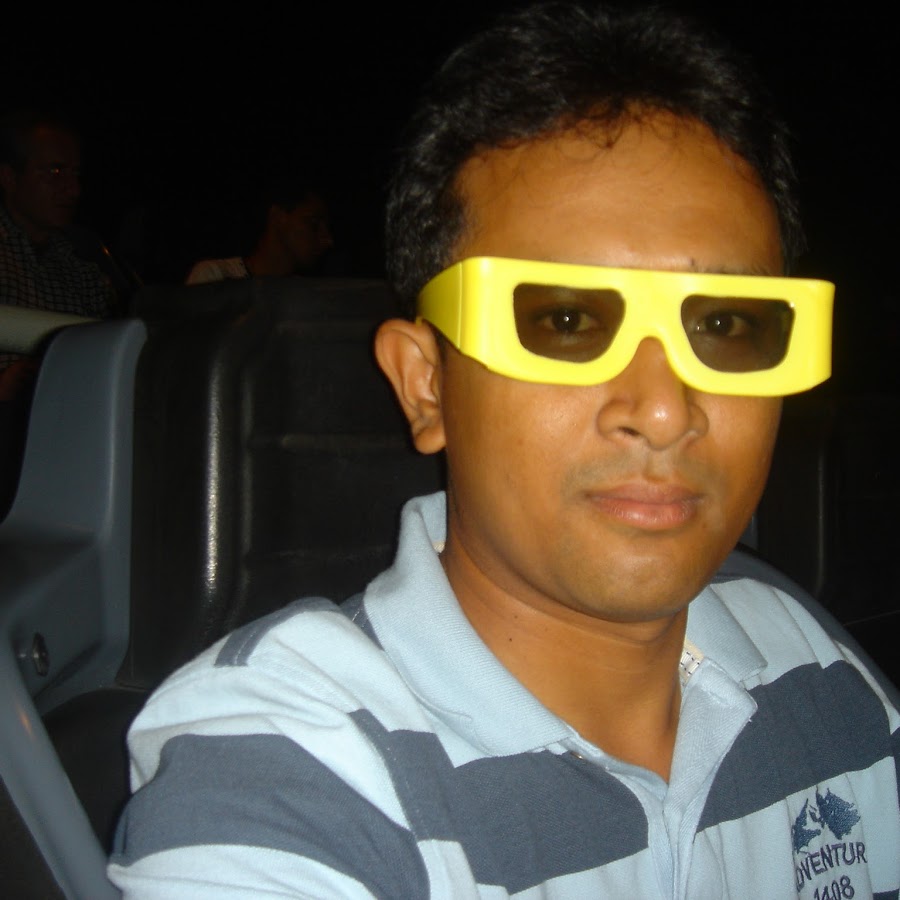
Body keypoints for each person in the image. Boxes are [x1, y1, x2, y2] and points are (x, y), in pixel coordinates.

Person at [108, 3, 900, 897]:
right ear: (426, 386)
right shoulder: (282, 766)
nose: (662, 410)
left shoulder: (815, 671)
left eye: (724, 325)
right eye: (563, 321)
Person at [184, 177, 334, 284]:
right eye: (314, 224)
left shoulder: (303, 293)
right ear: (278, 217)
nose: (327, 239)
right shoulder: (216, 276)